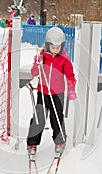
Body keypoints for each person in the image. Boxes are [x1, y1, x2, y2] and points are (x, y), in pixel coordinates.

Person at [27, 27, 77, 159]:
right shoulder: (42, 57)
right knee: (39, 118)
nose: (55, 50)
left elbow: (70, 75)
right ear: (48, 45)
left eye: (58, 47)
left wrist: (71, 89)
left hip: (57, 93)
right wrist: (36, 64)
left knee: (56, 118)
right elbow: (34, 73)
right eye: (53, 47)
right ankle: (32, 143)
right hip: (43, 92)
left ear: (62, 46)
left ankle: (60, 142)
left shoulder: (64, 59)